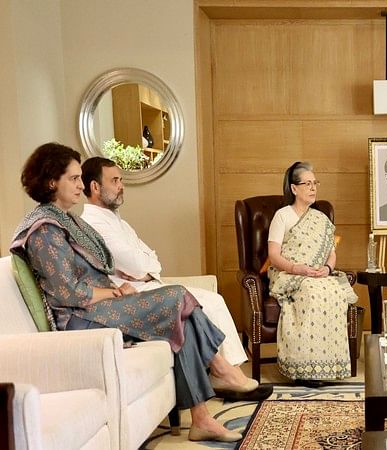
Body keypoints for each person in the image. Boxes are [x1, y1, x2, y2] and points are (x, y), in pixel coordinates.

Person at [10, 143, 264, 442]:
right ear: (51, 181)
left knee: (181, 318)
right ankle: (220, 368)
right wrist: (114, 293)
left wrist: (114, 288)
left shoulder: (68, 220)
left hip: (95, 307)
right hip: (79, 318)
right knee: (177, 297)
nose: (80, 185)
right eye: (73, 178)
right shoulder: (44, 230)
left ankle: (202, 418)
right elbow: (69, 294)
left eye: (81, 178)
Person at [79, 156, 247, 367]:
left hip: (148, 284)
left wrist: (146, 269)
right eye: (115, 181)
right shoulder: (94, 225)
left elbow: (153, 261)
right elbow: (139, 266)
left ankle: (230, 372)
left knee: (214, 299)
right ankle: (229, 374)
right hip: (133, 296)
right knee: (210, 303)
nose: (121, 186)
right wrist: (144, 268)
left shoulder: (120, 222)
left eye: (121, 180)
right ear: (95, 186)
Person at [267, 161, 358, 385]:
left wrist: (327, 269)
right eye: (307, 183)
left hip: (318, 274)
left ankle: (328, 365)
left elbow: (331, 254)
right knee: (312, 292)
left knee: (336, 292)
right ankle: (305, 368)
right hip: (289, 273)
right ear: (294, 188)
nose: (313, 187)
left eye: (315, 183)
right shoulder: (283, 216)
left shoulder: (321, 219)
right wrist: (296, 268)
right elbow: (274, 254)